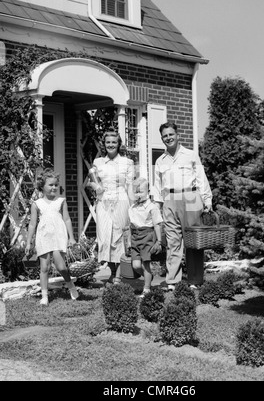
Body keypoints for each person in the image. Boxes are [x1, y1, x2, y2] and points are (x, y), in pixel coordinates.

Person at [152, 121, 212, 291]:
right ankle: (173, 281)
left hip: (191, 197)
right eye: (165, 136)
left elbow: (201, 178)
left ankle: (194, 280)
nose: (168, 138)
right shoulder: (160, 161)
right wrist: (157, 208)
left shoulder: (191, 155)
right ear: (162, 139)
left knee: (193, 241)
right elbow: (157, 187)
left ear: (177, 135)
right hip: (169, 200)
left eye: (171, 134)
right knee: (172, 242)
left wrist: (207, 200)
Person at [25, 168, 78, 306]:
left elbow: (67, 219)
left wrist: (71, 237)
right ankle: (44, 296)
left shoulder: (61, 201)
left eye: (56, 184)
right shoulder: (37, 204)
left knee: (61, 267)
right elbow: (32, 224)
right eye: (51, 185)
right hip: (43, 237)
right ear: (42, 186)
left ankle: (70, 285)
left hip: (58, 236)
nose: (54, 187)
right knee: (44, 267)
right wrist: (29, 242)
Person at [88, 128, 134, 284]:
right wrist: (95, 187)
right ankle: (112, 272)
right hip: (104, 202)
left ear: (119, 143)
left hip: (121, 200)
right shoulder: (98, 162)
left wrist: (134, 207)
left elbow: (130, 187)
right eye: (108, 142)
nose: (111, 145)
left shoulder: (127, 162)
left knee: (120, 236)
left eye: (114, 142)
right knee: (105, 235)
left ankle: (119, 275)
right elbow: (92, 181)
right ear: (104, 144)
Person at [127, 177, 163, 298]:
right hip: (135, 236)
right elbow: (130, 227)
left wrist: (159, 241)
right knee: (136, 265)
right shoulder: (132, 208)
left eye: (140, 191)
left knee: (145, 263)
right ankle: (149, 277)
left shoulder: (152, 207)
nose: (138, 194)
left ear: (148, 191)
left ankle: (146, 288)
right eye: (135, 192)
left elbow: (157, 225)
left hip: (147, 235)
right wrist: (128, 242)